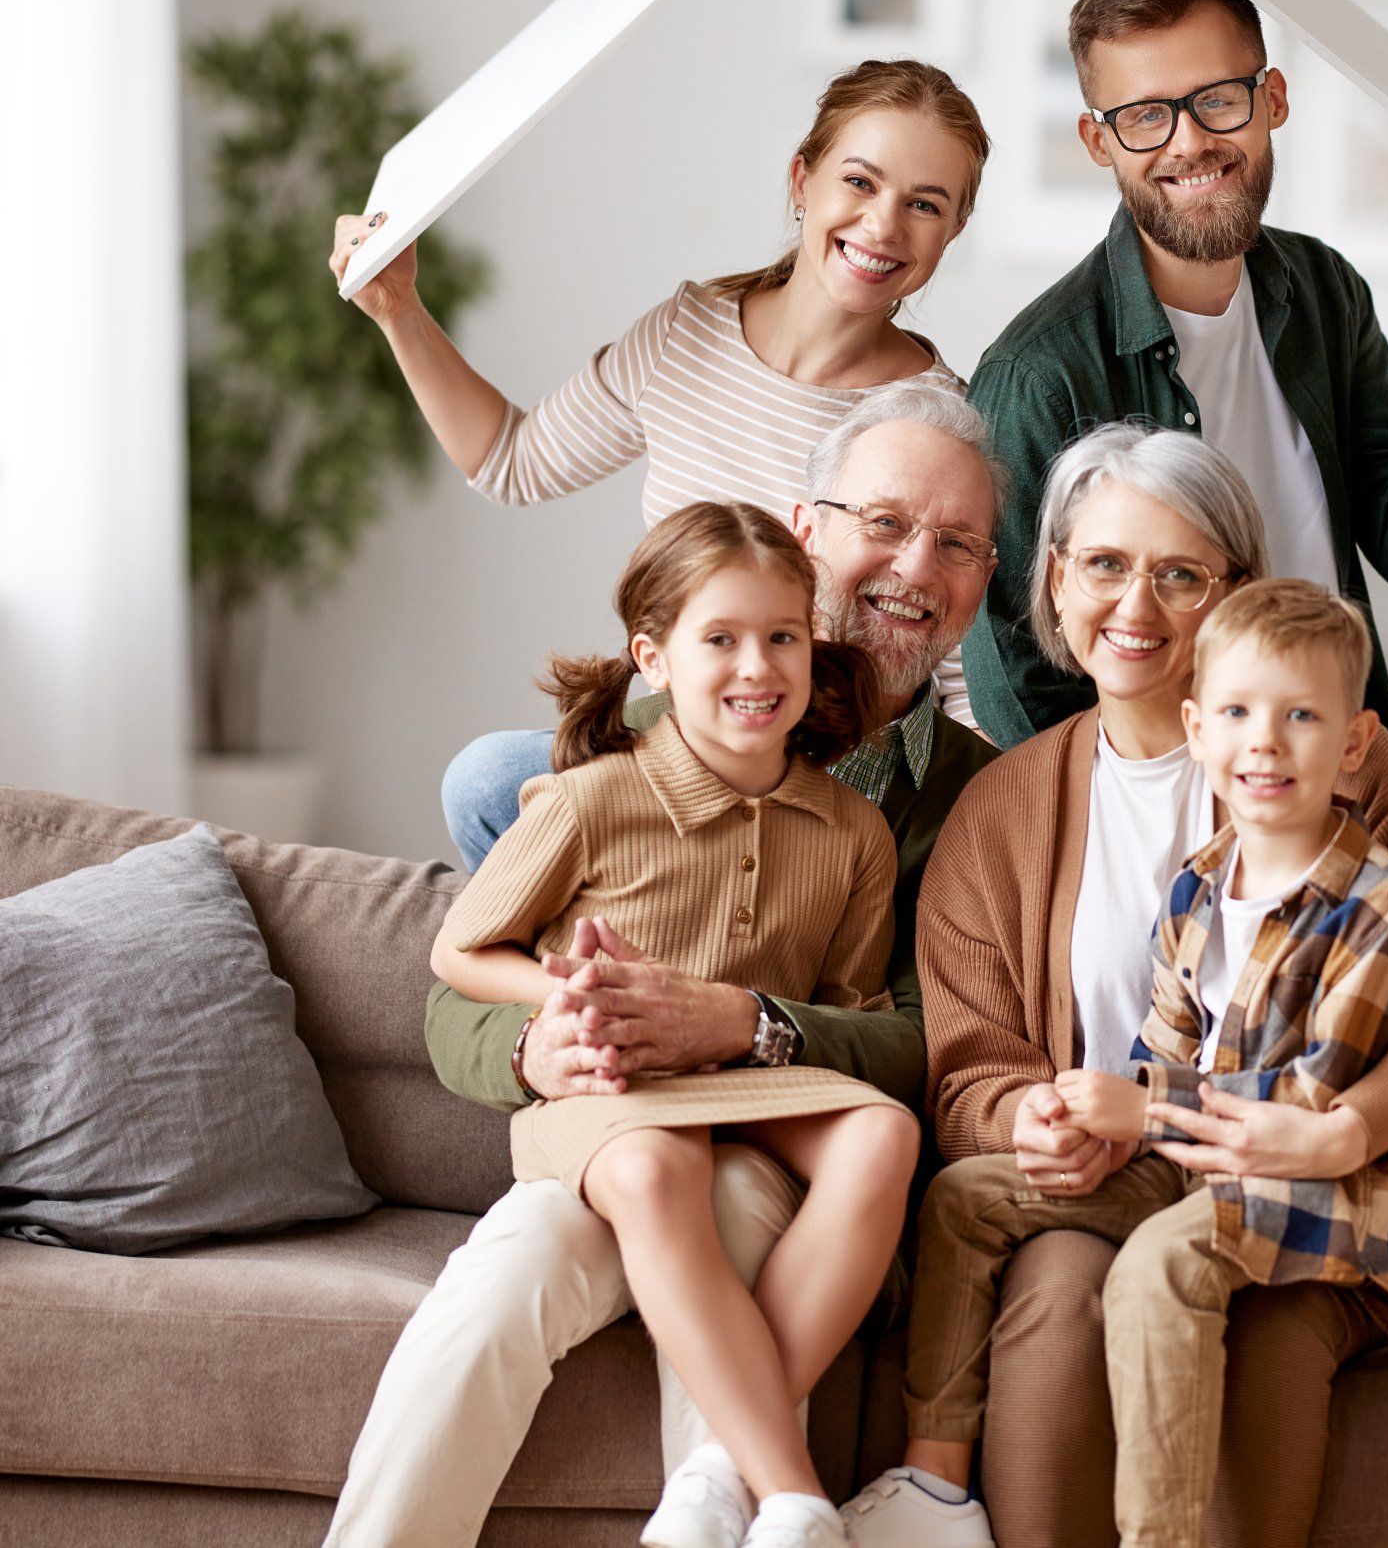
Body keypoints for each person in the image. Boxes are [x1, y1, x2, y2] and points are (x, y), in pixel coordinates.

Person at [326, 387, 1004, 1548]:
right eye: (886, 521)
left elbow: (918, 1040)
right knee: (513, 1265)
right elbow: (461, 986)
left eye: (958, 541)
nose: (914, 565)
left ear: (988, 576)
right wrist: (545, 1039)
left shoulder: (968, 802)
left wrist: (740, 1020)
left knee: (729, 1199)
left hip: (775, 1150)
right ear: (807, 530)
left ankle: (729, 1488)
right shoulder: (629, 747)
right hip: (617, 1127)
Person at [843, 425, 1388, 1548]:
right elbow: (966, 1071)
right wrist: (1033, 1118)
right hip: (1115, 1177)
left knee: (1256, 1332)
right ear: (1055, 581)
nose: (1137, 605)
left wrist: (1349, 1126)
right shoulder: (1000, 813)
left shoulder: (1339, 770)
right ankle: (941, 1499)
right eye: (1105, 565)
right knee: (1057, 1294)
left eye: (1181, 574)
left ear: (1236, 595)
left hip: (1312, 1196)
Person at [961, 0, 1388, 900]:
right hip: (1176, 794)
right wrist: (1146, 827)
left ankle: (1323, 923)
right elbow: (1013, 680)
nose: (1189, 141)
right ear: (1099, 141)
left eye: (1218, 99)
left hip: (1339, 753)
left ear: (1273, 100)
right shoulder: (1041, 372)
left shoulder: (1323, 290)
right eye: (1145, 116)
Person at [424, 499, 920, 1548]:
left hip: (755, 1088)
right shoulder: (585, 799)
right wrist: (564, 999)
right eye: (721, 638)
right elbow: (457, 953)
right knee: (657, 1167)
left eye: (782, 636)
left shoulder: (855, 832)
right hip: (614, 1096)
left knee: (883, 1130)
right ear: (653, 658)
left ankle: (715, 1471)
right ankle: (790, 1493)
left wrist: (750, 1023)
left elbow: (856, 1013)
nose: (758, 666)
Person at [330, 55, 988, 719]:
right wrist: (399, 309)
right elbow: (511, 459)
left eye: (924, 205)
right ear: (802, 180)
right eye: (859, 182)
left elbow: (965, 686)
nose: (883, 225)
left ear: (953, 230)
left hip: (831, 766)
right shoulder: (685, 336)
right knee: (490, 770)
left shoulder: (943, 425)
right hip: (671, 745)